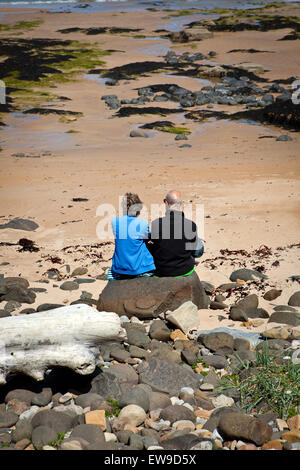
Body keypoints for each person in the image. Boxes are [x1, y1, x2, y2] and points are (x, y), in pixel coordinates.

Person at [147, 190, 204, 277]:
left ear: (166, 202)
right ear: (181, 203)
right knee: (197, 242)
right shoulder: (191, 224)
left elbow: (154, 248)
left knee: (152, 243)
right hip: (184, 270)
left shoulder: (156, 223)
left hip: (162, 270)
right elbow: (195, 252)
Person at [107, 192, 156, 281]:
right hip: (140, 270)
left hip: (119, 269)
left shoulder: (115, 222)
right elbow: (147, 238)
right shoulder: (143, 224)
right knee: (148, 243)